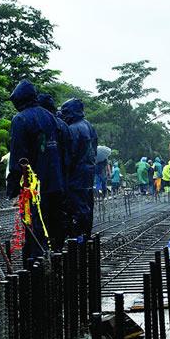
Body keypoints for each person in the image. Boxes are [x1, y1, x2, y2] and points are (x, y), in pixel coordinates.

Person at [7, 80, 66, 264]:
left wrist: (12, 185)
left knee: (33, 228)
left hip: (33, 186)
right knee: (51, 225)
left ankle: (35, 266)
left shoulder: (21, 119)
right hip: (55, 182)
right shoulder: (51, 118)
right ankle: (54, 259)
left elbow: (19, 157)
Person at [38, 93, 71, 250]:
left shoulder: (40, 124)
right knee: (58, 215)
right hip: (62, 179)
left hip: (43, 181)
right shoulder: (62, 125)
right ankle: (57, 247)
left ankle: (47, 247)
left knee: (44, 216)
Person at [60, 98, 97, 240]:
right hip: (88, 170)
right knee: (87, 204)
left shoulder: (73, 129)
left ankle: (79, 236)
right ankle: (86, 233)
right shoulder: (88, 125)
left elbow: (70, 155)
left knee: (77, 205)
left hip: (77, 173)